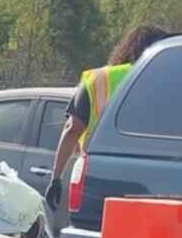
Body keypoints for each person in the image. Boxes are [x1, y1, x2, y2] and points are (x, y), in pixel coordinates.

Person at [46, 24, 169, 209]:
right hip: (148, 177)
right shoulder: (164, 82)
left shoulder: (98, 80)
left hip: (96, 173)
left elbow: (72, 130)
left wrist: (55, 179)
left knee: (94, 230)